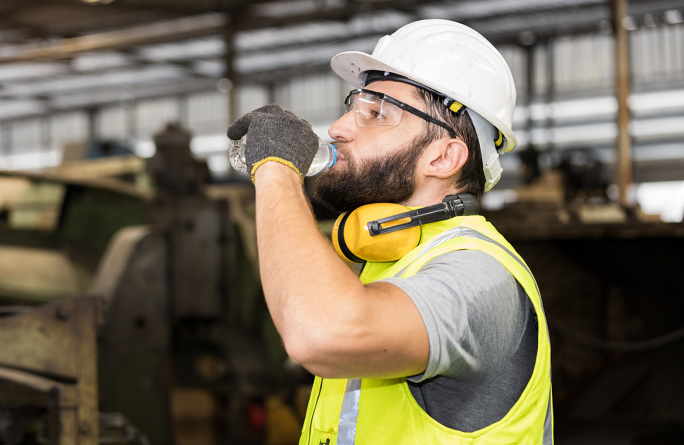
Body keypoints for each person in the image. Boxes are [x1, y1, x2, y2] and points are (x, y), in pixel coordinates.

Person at [227, 19, 552, 445]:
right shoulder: (388, 261)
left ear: (443, 157)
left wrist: (277, 169)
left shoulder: (481, 279)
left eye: (376, 113)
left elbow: (320, 332)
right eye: (353, 106)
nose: (339, 129)